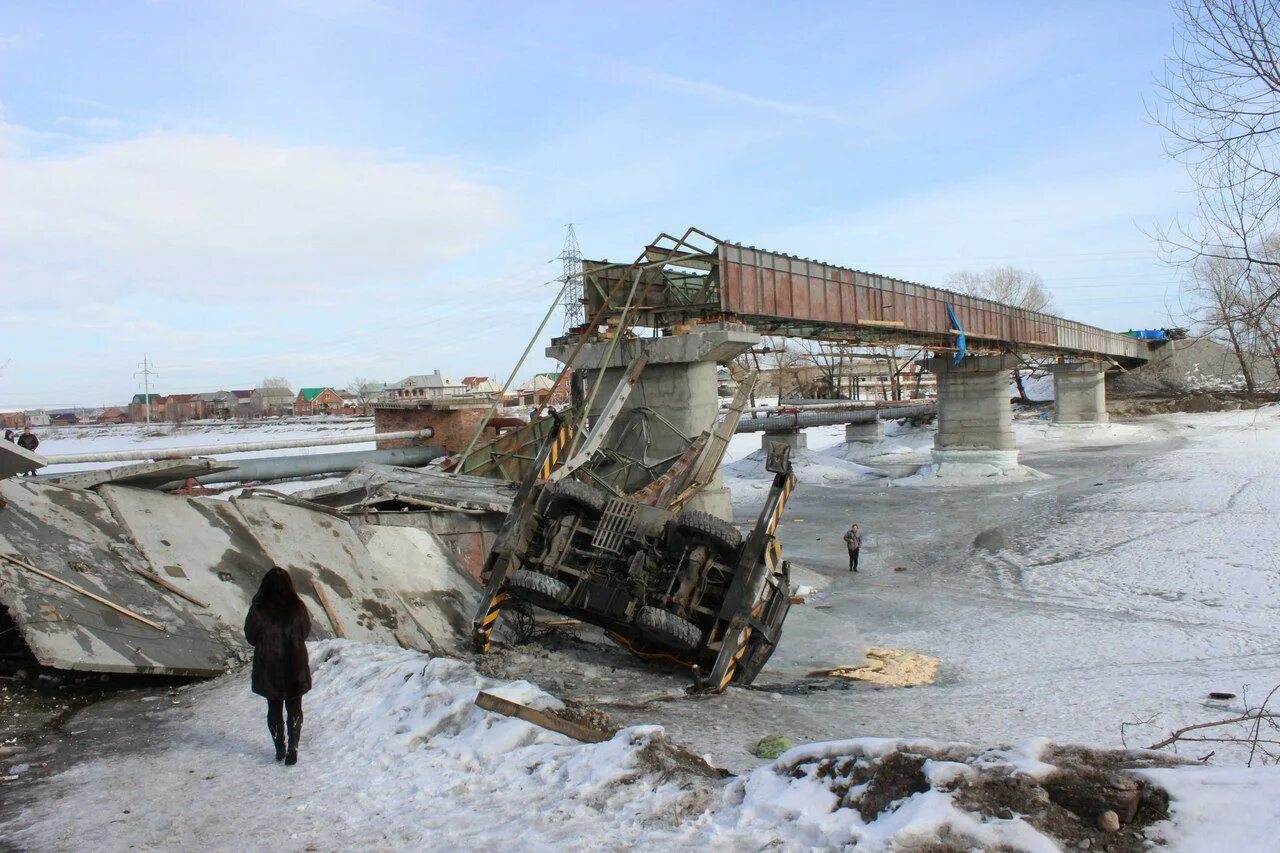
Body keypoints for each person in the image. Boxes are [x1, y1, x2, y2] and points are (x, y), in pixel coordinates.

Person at [244, 568, 312, 766]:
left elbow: (250, 636)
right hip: (295, 664)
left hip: (269, 667)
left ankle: (279, 749)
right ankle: (294, 747)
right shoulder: (298, 607)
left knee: (274, 708)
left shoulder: (258, 608)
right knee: (295, 708)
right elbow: (305, 631)